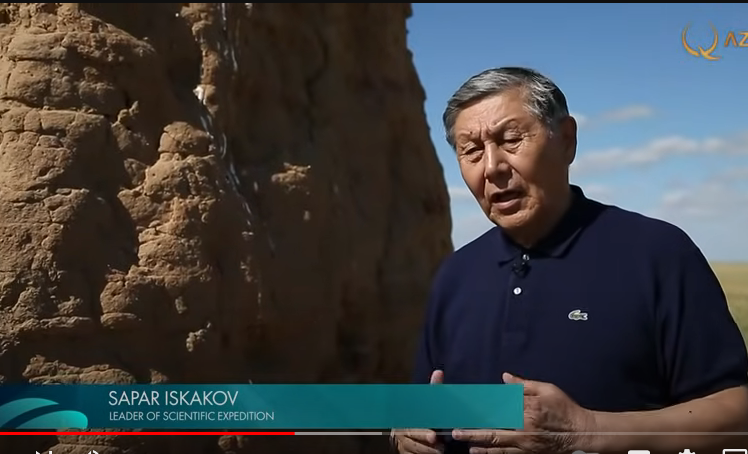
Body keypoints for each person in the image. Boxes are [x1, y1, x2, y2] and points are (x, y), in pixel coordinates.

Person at [391, 67, 748, 454]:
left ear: (566, 140)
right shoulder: (454, 274)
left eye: (511, 139)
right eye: (471, 151)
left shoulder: (659, 254)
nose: (491, 167)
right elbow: (421, 405)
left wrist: (588, 430)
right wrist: (405, 430)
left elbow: (737, 415)